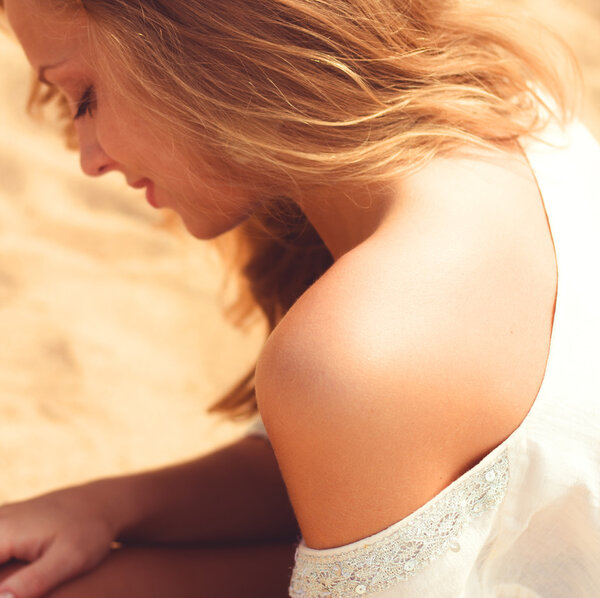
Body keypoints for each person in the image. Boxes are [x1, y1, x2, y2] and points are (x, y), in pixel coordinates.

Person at [0, 0, 599, 596]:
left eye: (83, 96)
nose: (89, 158)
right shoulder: (504, 105)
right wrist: (101, 507)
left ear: (197, 40)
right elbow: (370, 487)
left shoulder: (361, 343)